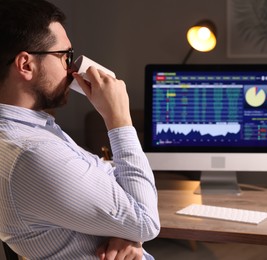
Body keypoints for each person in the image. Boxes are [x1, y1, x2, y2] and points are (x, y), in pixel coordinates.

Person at [0, 0, 160, 259]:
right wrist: (118, 118)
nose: (72, 68)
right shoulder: (33, 153)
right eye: (65, 56)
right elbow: (146, 221)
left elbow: (105, 175)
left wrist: (125, 231)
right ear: (26, 65)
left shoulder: (32, 132)